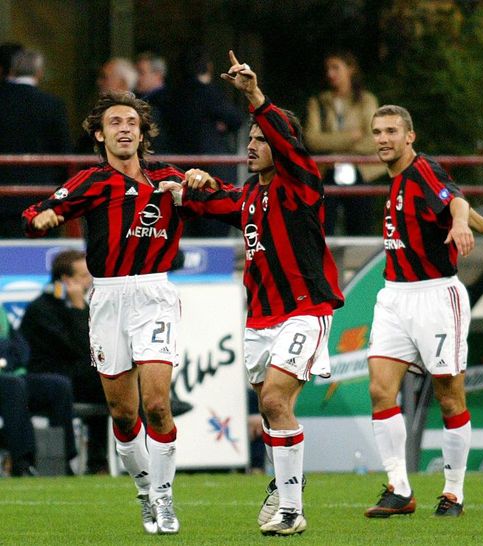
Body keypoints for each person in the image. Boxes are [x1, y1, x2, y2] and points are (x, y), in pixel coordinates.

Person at [161, 50, 344, 536]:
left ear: (282, 145)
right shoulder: (247, 197)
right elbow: (195, 196)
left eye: (262, 139)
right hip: (260, 318)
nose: (252, 144)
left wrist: (255, 97)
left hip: (304, 311)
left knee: (275, 402)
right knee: (273, 407)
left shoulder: (301, 185)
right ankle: (287, 486)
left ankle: (291, 507)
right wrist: (188, 180)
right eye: (251, 138)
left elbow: (289, 145)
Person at [21, 90, 210, 533]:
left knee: (158, 406)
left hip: (154, 294)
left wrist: (206, 185)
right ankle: (145, 491)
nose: (124, 129)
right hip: (107, 299)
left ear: (143, 131)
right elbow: (35, 213)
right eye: (114, 123)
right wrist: (41, 220)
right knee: (123, 415)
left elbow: (216, 201)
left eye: (131, 121)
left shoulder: (168, 178)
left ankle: (164, 500)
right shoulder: (91, 182)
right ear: (100, 134)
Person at [363, 105, 483, 518]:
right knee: (381, 390)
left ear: (410, 137)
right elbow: (450, 206)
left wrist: (463, 224)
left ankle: (454, 492)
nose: (383, 139)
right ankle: (399, 489)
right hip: (394, 296)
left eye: (391, 132)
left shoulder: (422, 170)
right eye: (377, 132)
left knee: (449, 396)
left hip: (436, 296)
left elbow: (454, 200)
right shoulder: (399, 180)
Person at [20, 249, 108, 473]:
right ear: (67, 280)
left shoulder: (82, 307)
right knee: (82, 381)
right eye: (84, 276)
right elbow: (81, 348)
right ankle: (67, 461)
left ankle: (99, 462)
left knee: (109, 381)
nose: (89, 281)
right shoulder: (41, 309)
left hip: (75, 377)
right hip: (47, 378)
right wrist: (79, 308)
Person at [163, 47, 243, 237]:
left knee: (185, 234)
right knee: (213, 234)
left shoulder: (172, 96)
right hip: (211, 175)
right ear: (208, 67)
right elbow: (236, 119)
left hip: (179, 174)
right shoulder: (208, 93)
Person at [304, 51, 385, 235]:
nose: (330, 74)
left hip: (361, 170)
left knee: (361, 226)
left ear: (351, 69)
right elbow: (311, 139)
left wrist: (332, 143)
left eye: (335, 68)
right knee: (323, 226)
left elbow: (374, 140)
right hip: (327, 170)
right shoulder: (318, 102)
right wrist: (351, 137)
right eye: (327, 69)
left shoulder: (367, 100)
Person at [0, 48, 72, 237]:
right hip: (42, 199)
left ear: (11, 71)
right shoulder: (52, 104)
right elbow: (64, 151)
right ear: (39, 73)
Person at [1, 305, 77, 476]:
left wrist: (8, 358)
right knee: (14, 386)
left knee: (59, 386)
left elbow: (21, 347)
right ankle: (22, 461)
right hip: (9, 382)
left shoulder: (1, 314)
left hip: (12, 375)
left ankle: (63, 459)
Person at [135, 51, 171, 153]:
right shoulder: (140, 99)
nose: (137, 78)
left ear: (158, 75)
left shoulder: (167, 102)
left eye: (141, 72)